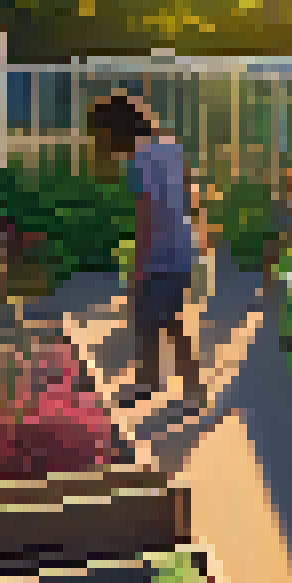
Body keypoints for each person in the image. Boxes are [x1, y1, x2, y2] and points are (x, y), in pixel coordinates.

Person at [88, 92, 205, 413]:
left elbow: (147, 212)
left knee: (165, 321)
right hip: (180, 246)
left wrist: (138, 266)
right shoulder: (170, 148)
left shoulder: (141, 158)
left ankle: (190, 390)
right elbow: (188, 197)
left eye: (102, 133)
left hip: (161, 251)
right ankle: (150, 383)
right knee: (154, 320)